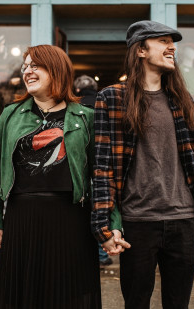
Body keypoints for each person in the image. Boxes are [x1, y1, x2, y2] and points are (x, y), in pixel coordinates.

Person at [92, 20, 194, 309]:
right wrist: (104, 227)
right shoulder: (112, 98)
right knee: (136, 303)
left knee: (178, 303)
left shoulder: (182, 100)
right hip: (137, 223)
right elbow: (101, 168)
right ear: (141, 51)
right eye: (162, 41)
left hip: (182, 221)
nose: (171, 47)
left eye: (172, 42)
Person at [0, 45, 101, 309]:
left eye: (35, 65)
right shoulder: (10, 115)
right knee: (25, 294)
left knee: (68, 293)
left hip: (71, 220)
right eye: (25, 66)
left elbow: (101, 176)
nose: (28, 71)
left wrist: (108, 221)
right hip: (21, 219)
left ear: (56, 70)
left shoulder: (86, 117)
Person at [73, 74, 113, 267]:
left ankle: (83, 255)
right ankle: (102, 255)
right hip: (102, 161)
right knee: (99, 208)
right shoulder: (102, 100)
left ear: (77, 89)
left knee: (81, 211)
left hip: (80, 164)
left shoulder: (73, 105)